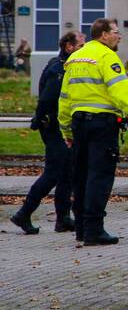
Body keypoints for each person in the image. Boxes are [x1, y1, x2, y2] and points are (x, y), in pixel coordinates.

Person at [58, 19, 128, 245]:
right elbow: (121, 94)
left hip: (79, 123)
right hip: (102, 125)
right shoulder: (107, 57)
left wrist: (65, 130)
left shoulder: (75, 58)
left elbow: (64, 98)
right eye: (116, 33)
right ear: (103, 35)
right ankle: (94, 230)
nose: (119, 37)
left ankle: (80, 228)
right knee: (99, 177)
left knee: (81, 176)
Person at [9, 31, 85, 234]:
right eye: (80, 46)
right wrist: (41, 119)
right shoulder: (59, 69)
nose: (84, 50)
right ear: (69, 47)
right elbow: (47, 99)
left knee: (67, 172)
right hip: (53, 127)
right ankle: (23, 213)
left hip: (61, 126)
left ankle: (63, 218)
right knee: (53, 172)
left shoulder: (66, 66)